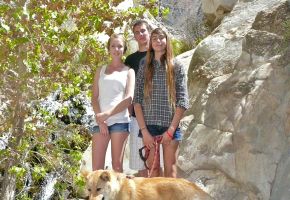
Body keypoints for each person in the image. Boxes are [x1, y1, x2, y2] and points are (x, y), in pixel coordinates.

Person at [133, 28, 189, 178]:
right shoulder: (144, 64)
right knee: (153, 171)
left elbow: (182, 100)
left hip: (170, 126)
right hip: (149, 127)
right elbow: (137, 100)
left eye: (161, 38)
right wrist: (144, 131)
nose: (158, 41)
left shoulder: (176, 65)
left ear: (167, 40)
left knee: (171, 171)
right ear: (150, 43)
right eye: (154, 38)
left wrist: (171, 130)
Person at [91, 33, 135, 172]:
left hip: (120, 121)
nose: (116, 49)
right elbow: (94, 97)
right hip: (101, 123)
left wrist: (107, 114)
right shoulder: (100, 70)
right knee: (96, 169)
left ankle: (117, 195)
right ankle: (97, 195)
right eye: (113, 46)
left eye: (120, 46)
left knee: (117, 167)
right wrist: (101, 120)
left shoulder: (129, 71)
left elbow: (129, 98)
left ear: (124, 49)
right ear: (109, 49)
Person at [124, 19, 153, 177]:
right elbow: (127, 88)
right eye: (137, 32)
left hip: (157, 115)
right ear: (134, 36)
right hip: (136, 115)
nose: (141, 34)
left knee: (157, 163)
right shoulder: (130, 60)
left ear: (149, 31)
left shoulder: (159, 54)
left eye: (143, 30)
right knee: (140, 162)